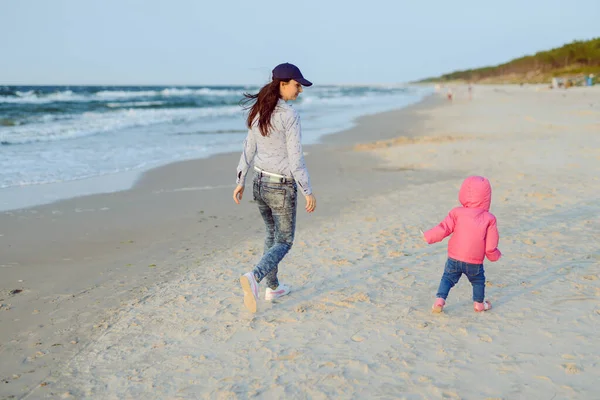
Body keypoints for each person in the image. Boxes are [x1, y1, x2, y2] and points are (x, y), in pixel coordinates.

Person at [233, 63, 317, 313]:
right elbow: (295, 158)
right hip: (280, 186)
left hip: (259, 183)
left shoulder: (260, 110)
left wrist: (240, 181)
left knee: (271, 236)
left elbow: (248, 147)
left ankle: (273, 287)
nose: (300, 90)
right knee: (285, 240)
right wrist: (307, 190)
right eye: (297, 84)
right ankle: (254, 277)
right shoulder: (289, 115)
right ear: (282, 84)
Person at [422, 176, 502, 313]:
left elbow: (444, 228)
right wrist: (494, 255)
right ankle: (479, 304)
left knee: (447, 278)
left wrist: (429, 236)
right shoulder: (489, 218)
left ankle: (439, 300)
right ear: (487, 197)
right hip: (475, 261)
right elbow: (490, 245)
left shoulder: (457, 213)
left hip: (455, 257)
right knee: (478, 282)